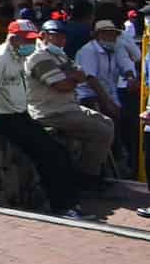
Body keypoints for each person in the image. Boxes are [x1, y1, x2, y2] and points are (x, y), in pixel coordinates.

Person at [0, 19, 83, 218]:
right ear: (13, 38)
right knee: (51, 154)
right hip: (3, 117)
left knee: (57, 151)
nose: (30, 44)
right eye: (26, 40)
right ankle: (62, 207)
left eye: (32, 40)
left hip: (21, 114)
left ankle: (68, 203)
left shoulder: (19, 56)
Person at [26, 20, 115, 182]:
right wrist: (71, 76)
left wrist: (69, 75)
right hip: (50, 111)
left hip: (68, 107)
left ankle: (90, 170)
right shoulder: (39, 57)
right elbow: (63, 85)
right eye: (55, 36)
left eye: (63, 37)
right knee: (101, 131)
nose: (60, 40)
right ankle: (89, 176)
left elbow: (82, 74)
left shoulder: (59, 54)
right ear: (44, 35)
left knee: (107, 123)